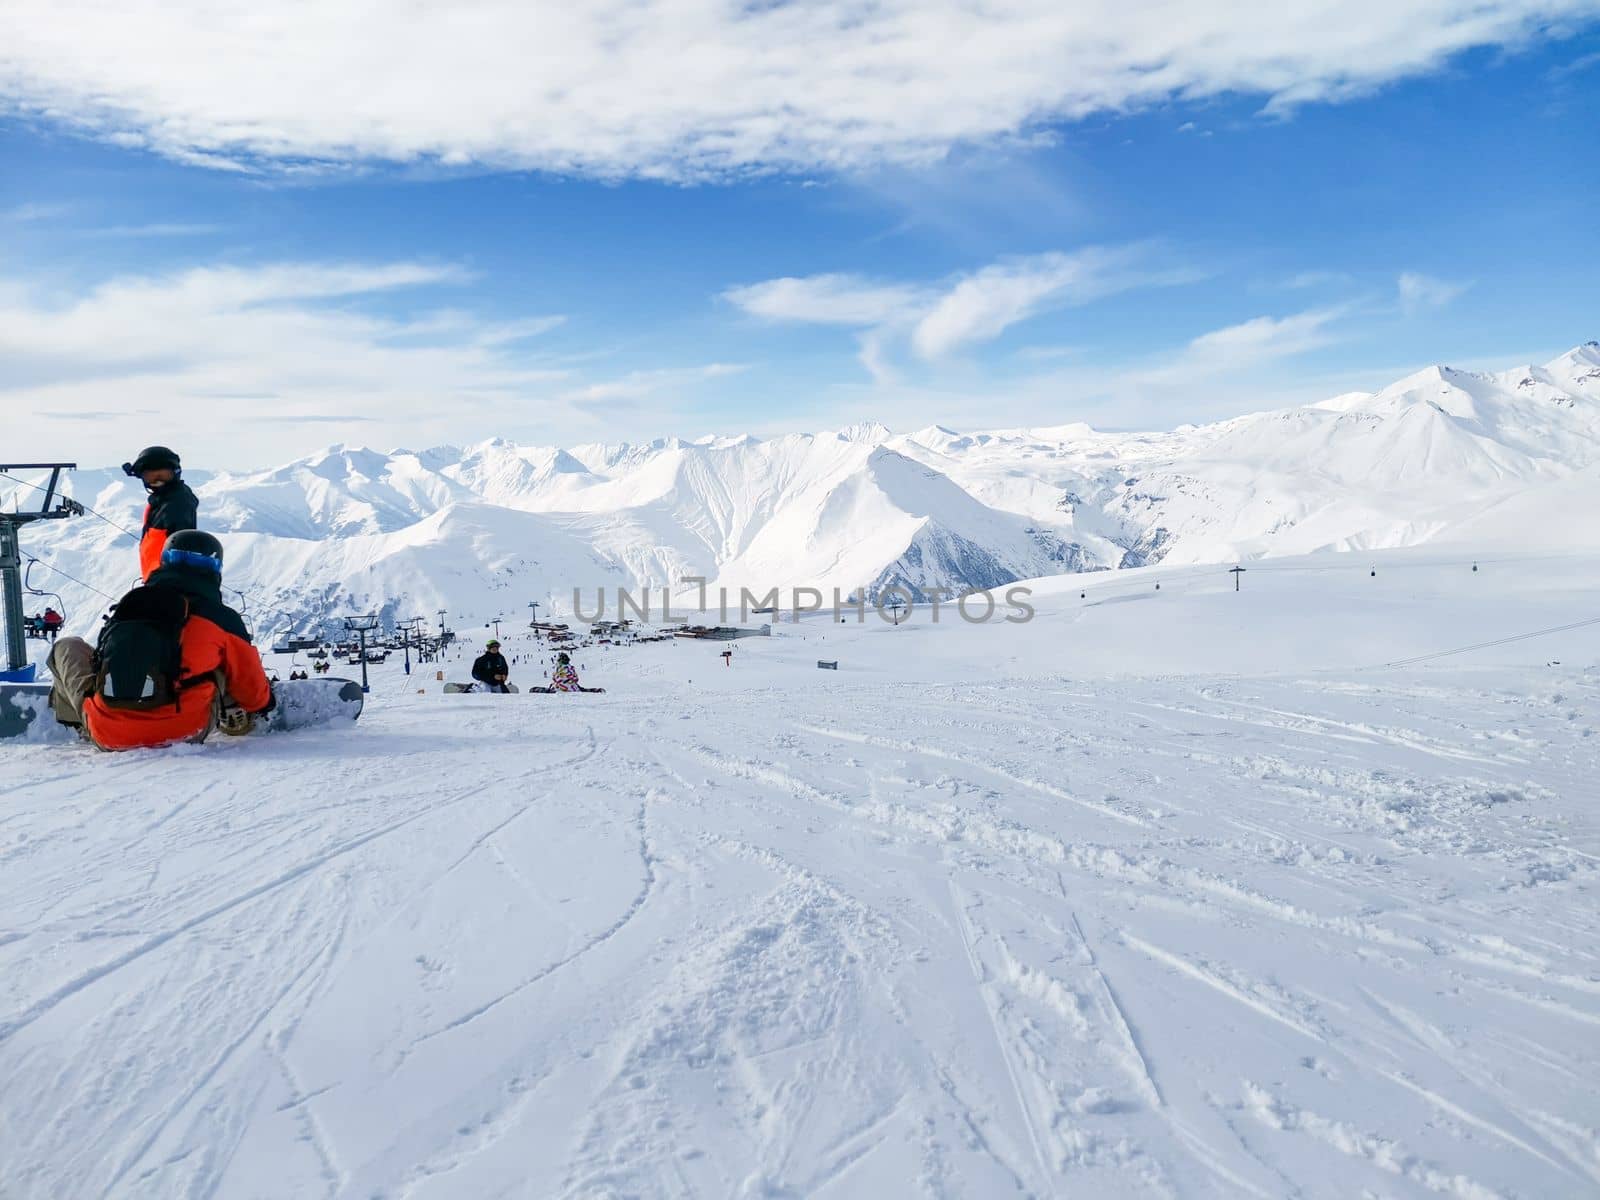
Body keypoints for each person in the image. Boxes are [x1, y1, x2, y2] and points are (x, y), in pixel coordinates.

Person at [46, 530, 274, 751]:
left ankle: (82, 726)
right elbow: (254, 693)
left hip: (107, 733)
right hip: (183, 730)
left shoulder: (132, 603)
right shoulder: (222, 619)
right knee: (220, 664)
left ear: (164, 561)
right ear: (215, 570)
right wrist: (266, 703)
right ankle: (235, 718)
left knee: (67, 646)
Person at [123, 445, 199, 582]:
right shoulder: (163, 500)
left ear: (175, 473)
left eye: (163, 475)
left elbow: (181, 547)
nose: (158, 481)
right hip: (158, 580)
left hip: (167, 584)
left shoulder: (177, 504)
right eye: (151, 477)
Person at [531, 652, 605, 694]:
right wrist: (571, 680)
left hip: (562, 688)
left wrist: (561, 680)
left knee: (547, 690)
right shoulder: (571, 668)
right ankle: (595, 690)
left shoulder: (560, 668)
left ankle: (535, 690)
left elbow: (556, 679)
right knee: (582, 689)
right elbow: (576, 678)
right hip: (573, 687)